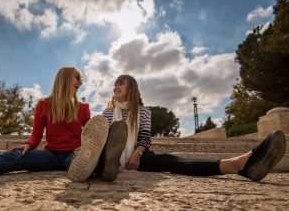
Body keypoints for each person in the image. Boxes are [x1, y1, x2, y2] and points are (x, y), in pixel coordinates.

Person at [70, 74, 287, 182]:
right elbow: (99, 137)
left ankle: (236, 165)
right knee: (104, 145)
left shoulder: (143, 112)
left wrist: (137, 152)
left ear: (131, 88)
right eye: (115, 83)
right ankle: (107, 164)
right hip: (110, 154)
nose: (115, 86)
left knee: (171, 161)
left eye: (121, 83)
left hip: (137, 155)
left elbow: (144, 137)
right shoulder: (107, 113)